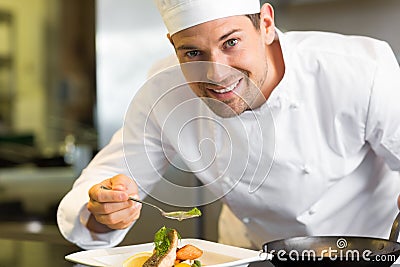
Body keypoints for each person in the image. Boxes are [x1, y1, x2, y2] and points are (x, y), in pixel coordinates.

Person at [57, 0, 400, 250]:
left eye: (231, 43)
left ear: (265, 25)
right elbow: (101, 187)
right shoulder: (165, 92)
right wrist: (103, 209)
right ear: (172, 46)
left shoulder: (359, 70)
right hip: (250, 255)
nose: (217, 73)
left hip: (368, 253)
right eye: (192, 53)